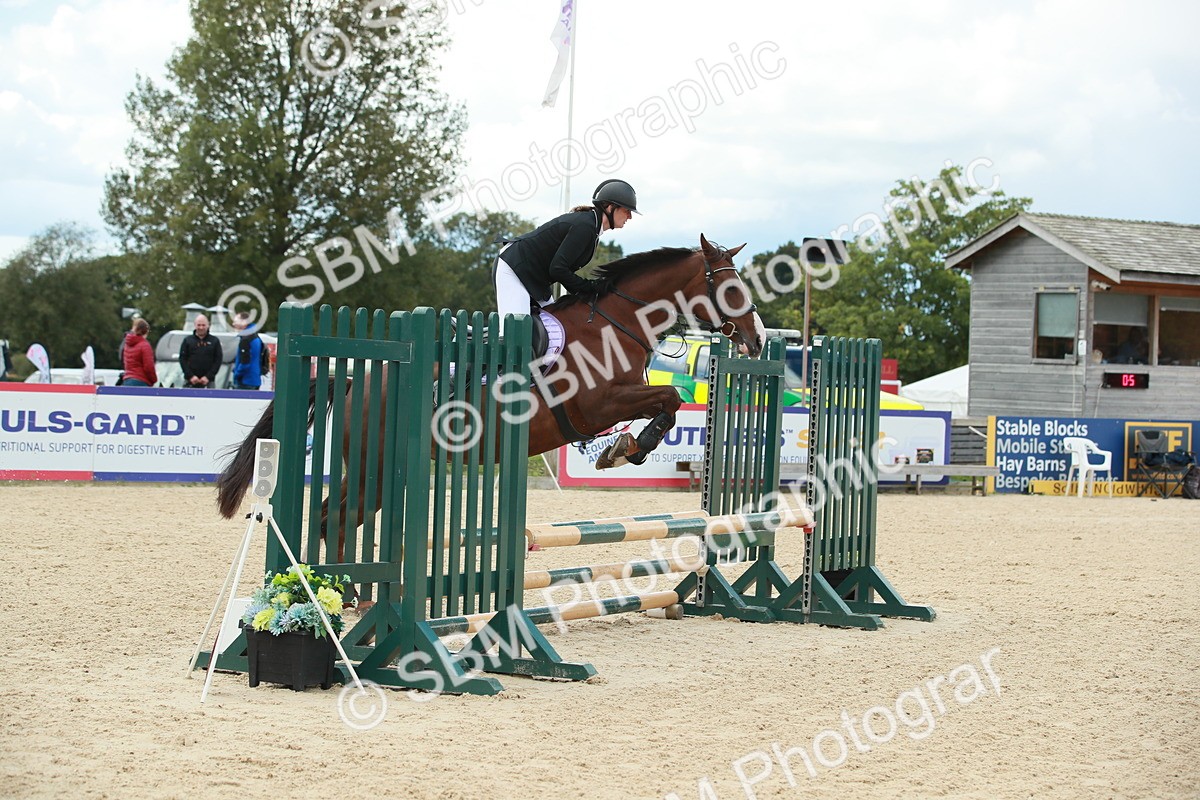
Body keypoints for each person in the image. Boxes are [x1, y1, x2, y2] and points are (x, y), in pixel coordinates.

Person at [493, 179, 638, 322]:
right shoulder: (586, 226)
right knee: (517, 333)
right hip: (514, 267)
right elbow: (558, 269)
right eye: (627, 211)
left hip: (535, 279)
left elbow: (560, 270)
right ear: (610, 207)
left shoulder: (592, 228)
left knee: (555, 329)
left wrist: (589, 289)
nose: (630, 216)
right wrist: (590, 288)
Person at [180, 314, 223, 388]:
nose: (201, 327)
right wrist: (191, 376)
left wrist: (208, 377)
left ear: (208, 325)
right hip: (190, 381)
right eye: (198, 325)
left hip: (209, 382)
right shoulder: (187, 340)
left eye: (203, 325)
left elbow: (218, 360)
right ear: (195, 325)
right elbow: (182, 359)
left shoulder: (214, 341)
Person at [232, 312, 266, 390]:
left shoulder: (245, 339)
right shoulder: (255, 336)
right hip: (255, 379)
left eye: (236, 321)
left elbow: (245, 363)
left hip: (246, 381)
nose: (233, 324)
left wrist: (236, 375)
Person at [121, 319, 157, 387]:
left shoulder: (127, 344)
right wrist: (154, 380)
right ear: (146, 332)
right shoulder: (145, 345)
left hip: (127, 380)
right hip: (141, 381)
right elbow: (149, 367)